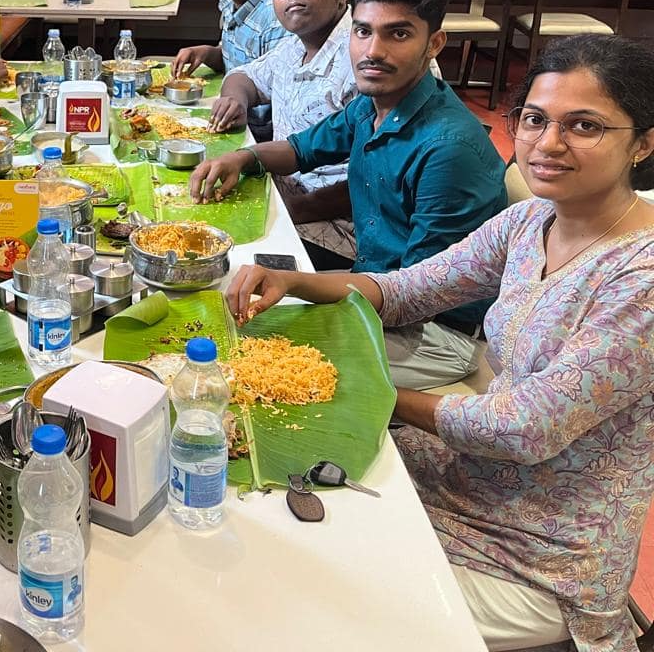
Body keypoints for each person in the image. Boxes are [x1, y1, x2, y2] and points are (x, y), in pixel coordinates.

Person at [227, 34, 654, 652]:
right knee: (268, 507)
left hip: (546, 550)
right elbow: (411, 289)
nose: (548, 143)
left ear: (643, 142)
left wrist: (358, 391)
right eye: (534, 119)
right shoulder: (532, 220)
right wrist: (295, 282)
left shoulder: (640, 277)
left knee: (307, 600)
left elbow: (525, 428)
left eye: (584, 126)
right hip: (473, 475)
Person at [191, 0, 507, 389]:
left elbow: (414, 295)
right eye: (362, 31)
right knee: (222, 293)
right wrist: (242, 157)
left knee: (250, 358)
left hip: (434, 331)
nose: (372, 51)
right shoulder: (375, 103)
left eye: (398, 34)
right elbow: (302, 149)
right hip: (375, 283)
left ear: (434, 44)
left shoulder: (447, 149)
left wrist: (297, 284)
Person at [206, 0, 359, 265]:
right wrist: (236, 101)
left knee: (213, 256)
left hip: (336, 232)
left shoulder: (362, 57)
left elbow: (376, 179)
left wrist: (288, 210)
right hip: (282, 196)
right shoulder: (295, 45)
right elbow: (243, 76)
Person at [170, 0, 287, 138]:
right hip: (228, 111)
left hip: (257, 133)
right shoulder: (229, 1)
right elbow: (235, 60)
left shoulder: (276, 19)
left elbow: (278, 95)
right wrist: (207, 53)